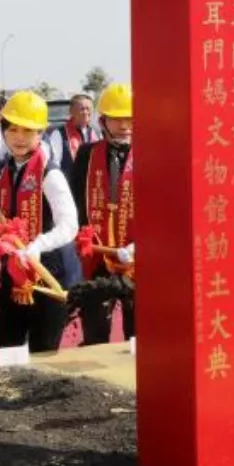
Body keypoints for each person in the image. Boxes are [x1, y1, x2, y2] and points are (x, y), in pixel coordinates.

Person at [0, 90, 81, 352]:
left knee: (42, 353)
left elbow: (69, 224)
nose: (18, 138)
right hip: (15, 271)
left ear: (40, 134)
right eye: (13, 130)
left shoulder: (50, 174)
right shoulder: (6, 168)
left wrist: (38, 245)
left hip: (49, 273)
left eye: (27, 131)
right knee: (8, 349)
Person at [70, 84, 136, 345]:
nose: (125, 125)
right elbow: (76, 197)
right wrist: (83, 238)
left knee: (139, 328)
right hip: (97, 252)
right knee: (96, 326)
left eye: (130, 118)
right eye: (117, 119)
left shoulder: (151, 151)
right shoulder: (87, 153)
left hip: (136, 253)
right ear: (103, 120)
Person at [46, 94, 99, 178]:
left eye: (88, 109)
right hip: (68, 185)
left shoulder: (96, 133)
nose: (86, 112)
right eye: (82, 109)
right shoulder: (59, 134)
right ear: (71, 111)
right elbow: (55, 165)